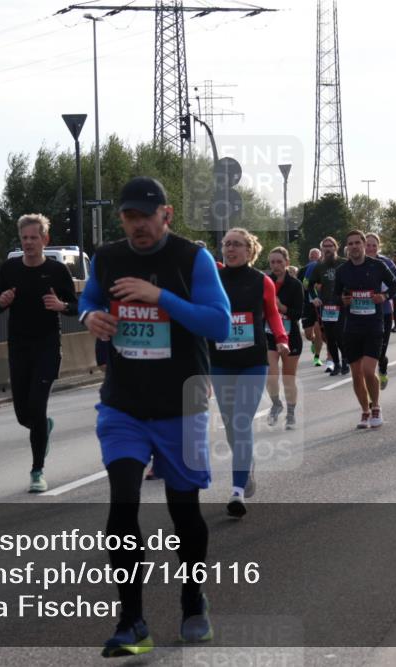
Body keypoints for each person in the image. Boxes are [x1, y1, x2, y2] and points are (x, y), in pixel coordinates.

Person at [79, 176, 231, 656]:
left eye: (145, 215)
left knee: (183, 511)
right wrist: (90, 317)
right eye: (129, 216)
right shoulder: (106, 258)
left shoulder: (192, 258)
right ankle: (132, 622)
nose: (137, 225)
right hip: (123, 402)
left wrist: (157, 295)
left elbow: (218, 322)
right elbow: (88, 298)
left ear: (165, 214)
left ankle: (192, 601)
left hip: (181, 403)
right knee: (122, 504)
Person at [0, 215, 78, 493]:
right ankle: (43, 426)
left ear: (44, 240)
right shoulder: (10, 269)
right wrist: (1, 302)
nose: (28, 243)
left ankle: (37, 470)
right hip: (19, 347)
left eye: (34, 238)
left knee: (37, 407)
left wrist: (61, 305)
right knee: (23, 415)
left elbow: (77, 306)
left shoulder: (57, 271)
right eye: (24, 238)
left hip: (48, 346)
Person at [210, 229, 289, 518]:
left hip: (252, 361)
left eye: (237, 244)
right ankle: (247, 463)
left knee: (241, 420)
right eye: (227, 244)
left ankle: (237, 491)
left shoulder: (262, 281)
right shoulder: (212, 280)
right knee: (231, 426)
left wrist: (281, 338)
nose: (230, 249)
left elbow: (272, 314)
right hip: (219, 361)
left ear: (249, 250)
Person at [336, 231, 396, 428]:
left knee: (367, 370)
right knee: (356, 373)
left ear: (364, 245)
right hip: (352, 326)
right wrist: (342, 299)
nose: (354, 246)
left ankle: (376, 407)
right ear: (347, 247)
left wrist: (384, 296)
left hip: (374, 324)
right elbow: (334, 295)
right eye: (351, 244)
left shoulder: (378, 266)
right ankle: (365, 411)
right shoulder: (343, 270)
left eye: (358, 243)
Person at [265, 247, 304, 431]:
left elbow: (299, 313)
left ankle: (290, 413)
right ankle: (276, 404)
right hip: (269, 335)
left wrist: (282, 307)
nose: (276, 266)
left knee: (289, 379)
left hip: (290, 337)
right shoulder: (265, 283)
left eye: (279, 261)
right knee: (271, 376)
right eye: (272, 262)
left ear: (287, 263)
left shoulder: (295, 285)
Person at [364, 233, 396, 389]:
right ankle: (371, 394)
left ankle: (383, 368)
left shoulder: (386, 262)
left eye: (374, 245)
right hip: (362, 314)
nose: (371, 248)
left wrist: (384, 296)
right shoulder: (356, 263)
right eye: (368, 245)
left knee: (380, 352)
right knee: (367, 354)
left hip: (384, 312)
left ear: (379, 246)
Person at [308, 237, 348, 375]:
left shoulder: (344, 263)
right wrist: (315, 298)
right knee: (330, 337)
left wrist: (347, 295)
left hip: (342, 306)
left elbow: (352, 281)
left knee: (340, 335)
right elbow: (309, 285)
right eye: (325, 246)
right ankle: (336, 364)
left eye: (330, 246)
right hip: (326, 307)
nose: (328, 248)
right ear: (322, 249)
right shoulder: (319, 266)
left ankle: (345, 361)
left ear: (335, 247)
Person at [297, 248, 324, 367]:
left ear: (320, 257)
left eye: (316, 255)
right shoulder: (303, 270)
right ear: (309, 257)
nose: (314, 257)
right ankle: (313, 341)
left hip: (319, 304)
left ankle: (317, 357)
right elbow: (299, 286)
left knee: (319, 331)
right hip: (307, 304)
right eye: (311, 255)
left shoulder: (323, 268)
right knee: (308, 334)